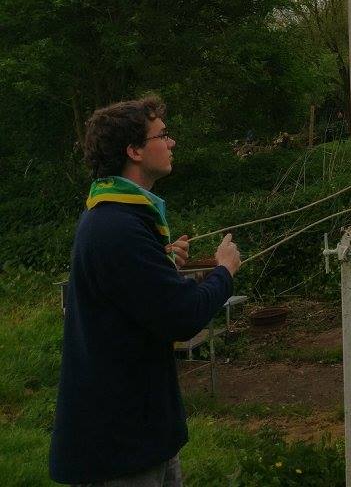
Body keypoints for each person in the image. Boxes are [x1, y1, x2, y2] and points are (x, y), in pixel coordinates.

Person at [49, 93, 241, 486]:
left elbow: (135, 299)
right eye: (162, 135)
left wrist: (162, 264)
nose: (171, 142)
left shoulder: (118, 217)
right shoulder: (118, 227)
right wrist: (224, 271)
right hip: (120, 449)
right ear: (134, 151)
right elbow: (181, 317)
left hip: (141, 436)